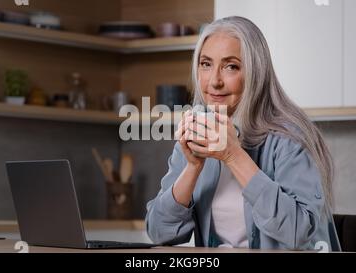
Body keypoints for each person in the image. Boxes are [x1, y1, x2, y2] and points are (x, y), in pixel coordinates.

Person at [145, 16, 340, 250]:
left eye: (231, 66)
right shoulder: (198, 134)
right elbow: (158, 232)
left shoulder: (290, 138)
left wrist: (233, 155)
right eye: (206, 64)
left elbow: (298, 232)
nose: (214, 81)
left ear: (255, 73)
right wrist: (192, 168)